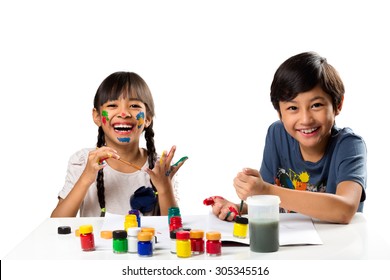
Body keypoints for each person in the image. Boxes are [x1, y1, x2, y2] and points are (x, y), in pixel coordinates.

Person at [209, 52, 367, 224]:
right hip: (289, 243)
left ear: (338, 105)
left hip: (336, 246)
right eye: (293, 108)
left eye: (316, 105)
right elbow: (270, 202)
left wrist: (265, 190)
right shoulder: (277, 134)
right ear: (280, 113)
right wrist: (238, 207)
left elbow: (345, 210)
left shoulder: (349, 145)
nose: (306, 119)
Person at [51, 71, 186, 217]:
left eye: (134, 105)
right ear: (97, 116)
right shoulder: (83, 161)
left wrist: (164, 187)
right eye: (113, 105)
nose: (124, 113)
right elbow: (56, 223)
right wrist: (86, 178)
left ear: (147, 118)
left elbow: (173, 231)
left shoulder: (160, 167)